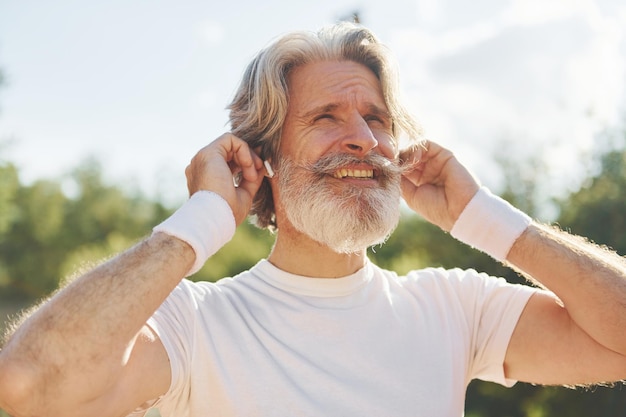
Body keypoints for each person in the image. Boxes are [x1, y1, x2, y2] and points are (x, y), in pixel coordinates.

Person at [1, 22, 625, 417]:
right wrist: (205, 217)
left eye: (376, 119)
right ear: (264, 156)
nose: (363, 140)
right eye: (326, 117)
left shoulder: (454, 307)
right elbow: (28, 389)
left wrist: (484, 218)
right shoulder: (192, 325)